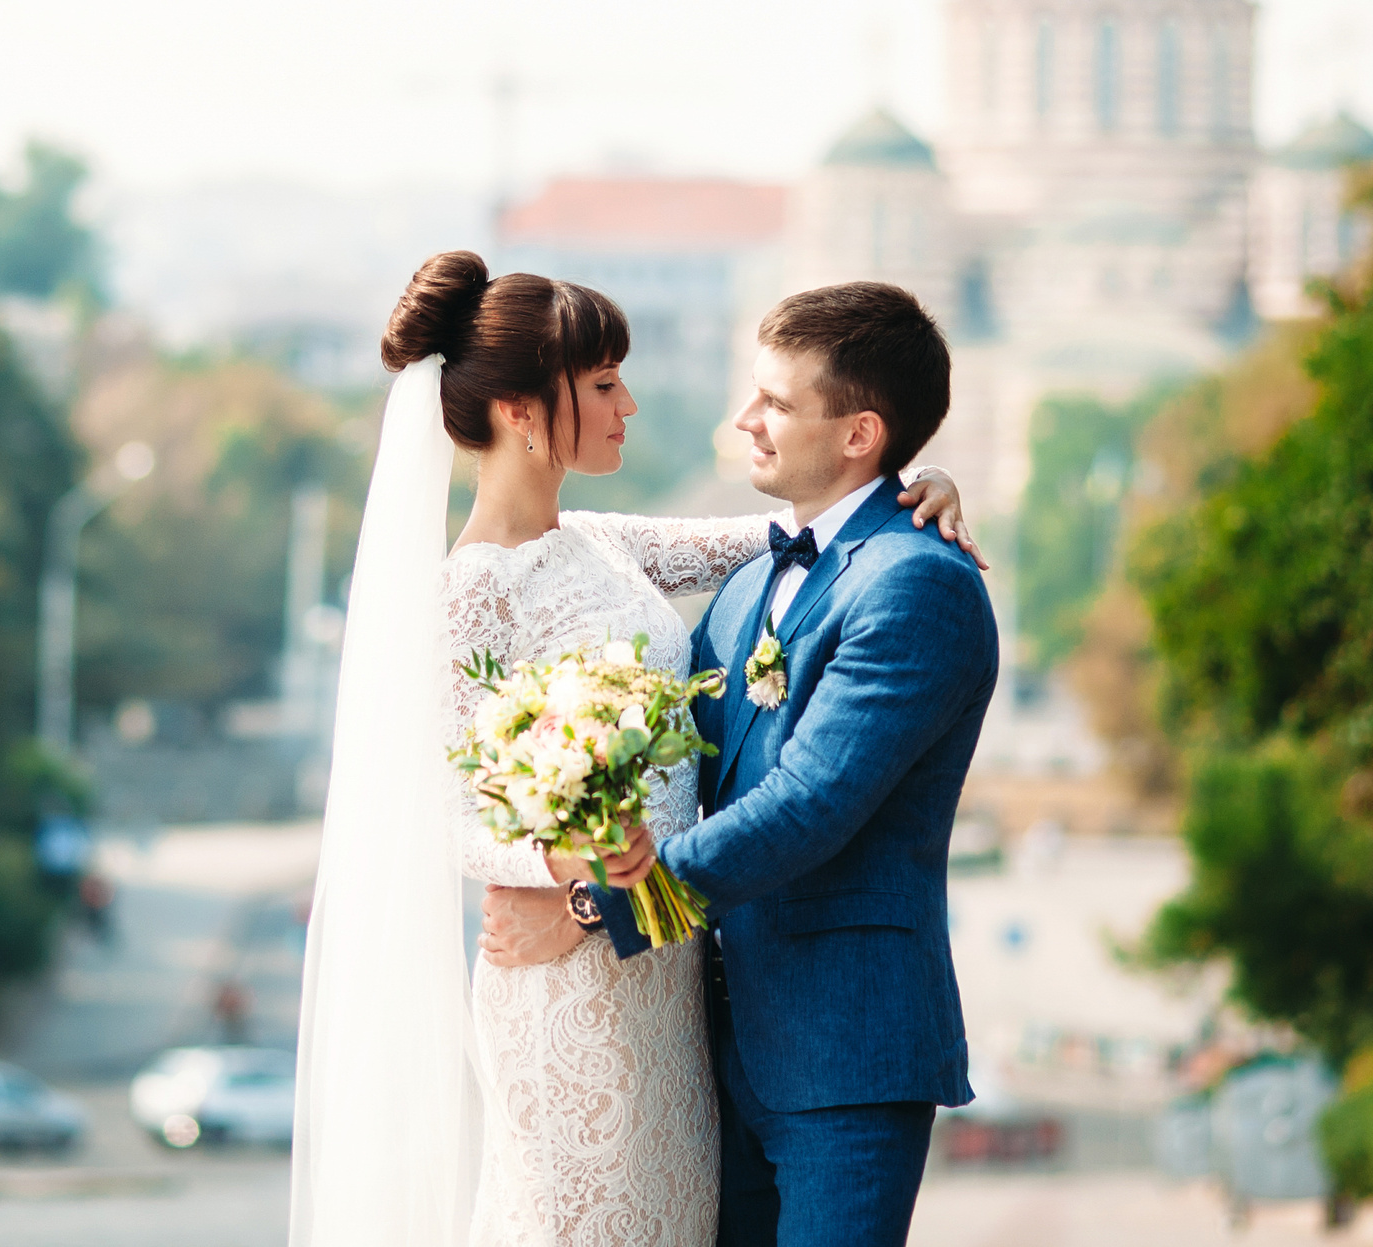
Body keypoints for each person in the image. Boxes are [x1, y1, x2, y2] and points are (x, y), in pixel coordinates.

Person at [289, 255, 978, 1247]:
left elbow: (806, 530)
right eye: (605, 382)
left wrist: (920, 482)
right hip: (567, 972)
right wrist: (569, 880)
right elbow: (437, 813)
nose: (630, 402)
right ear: (526, 409)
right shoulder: (467, 595)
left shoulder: (607, 541)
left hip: (667, 975)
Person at [481, 282, 999, 1247]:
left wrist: (596, 905)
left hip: (845, 1050)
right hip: (707, 1047)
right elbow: (689, 773)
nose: (745, 421)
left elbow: (811, 804)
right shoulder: (750, 581)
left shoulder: (920, 584)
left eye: (777, 404)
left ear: (859, 433)